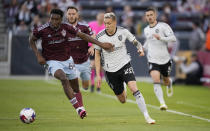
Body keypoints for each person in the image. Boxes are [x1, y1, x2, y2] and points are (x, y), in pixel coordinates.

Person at [29, 9, 113, 119]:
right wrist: (38, 55)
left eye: (56, 19)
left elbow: (83, 36)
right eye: (52, 19)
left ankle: (81, 108)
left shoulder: (66, 27)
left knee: (76, 87)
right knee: (63, 78)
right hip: (51, 61)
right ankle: (78, 109)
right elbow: (32, 39)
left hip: (68, 60)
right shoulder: (43, 29)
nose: (54, 21)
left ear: (61, 20)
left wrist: (101, 44)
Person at [95, 12, 155, 124]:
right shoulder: (100, 36)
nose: (107, 26)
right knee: (122, 100)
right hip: (110, 71)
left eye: (109, 23)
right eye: (105, 23)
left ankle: (147, 117)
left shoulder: (123, 31)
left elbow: (135, 42)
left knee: (135, 89)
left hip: (124, 64)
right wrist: (98, 75)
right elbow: (97, 55)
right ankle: (123, 86)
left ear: (115, 22)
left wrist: (140, 49)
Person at [143, 7, 177, 110]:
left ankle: (168, 82)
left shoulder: (163, 26)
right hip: (152, 59)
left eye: (151, 15)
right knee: (156, 79)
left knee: (165, 80)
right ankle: (162, 104)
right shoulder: (146, 29)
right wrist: (142, 49)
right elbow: (148, 41)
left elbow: (173, 38)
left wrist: (161, 38)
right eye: (147, 15)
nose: (149, 17)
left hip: (165, 59)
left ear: (155, 15)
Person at [66, 6, 94, 104]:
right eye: (69, 14)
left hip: (85, 61)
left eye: (73, 14)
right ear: (66, 15)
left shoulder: (84, 27)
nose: (71, 16)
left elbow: (93, 36)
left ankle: (83, 85)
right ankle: (79, 107)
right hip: (71, 62)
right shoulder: (62, 29)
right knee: (75, 84)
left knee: (86, 86)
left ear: (77, 15)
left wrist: (91, 46)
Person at [88, 12, 105, 93]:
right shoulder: (91, 24)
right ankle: (92, 84)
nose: (101, 17)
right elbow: (86, 34)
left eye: (102, 16)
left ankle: (98, 86)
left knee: (101, 68)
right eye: (100, 15)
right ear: (97, 16)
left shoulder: (106, 26)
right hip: (92, 48)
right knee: (92, 65)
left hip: (102, 49)